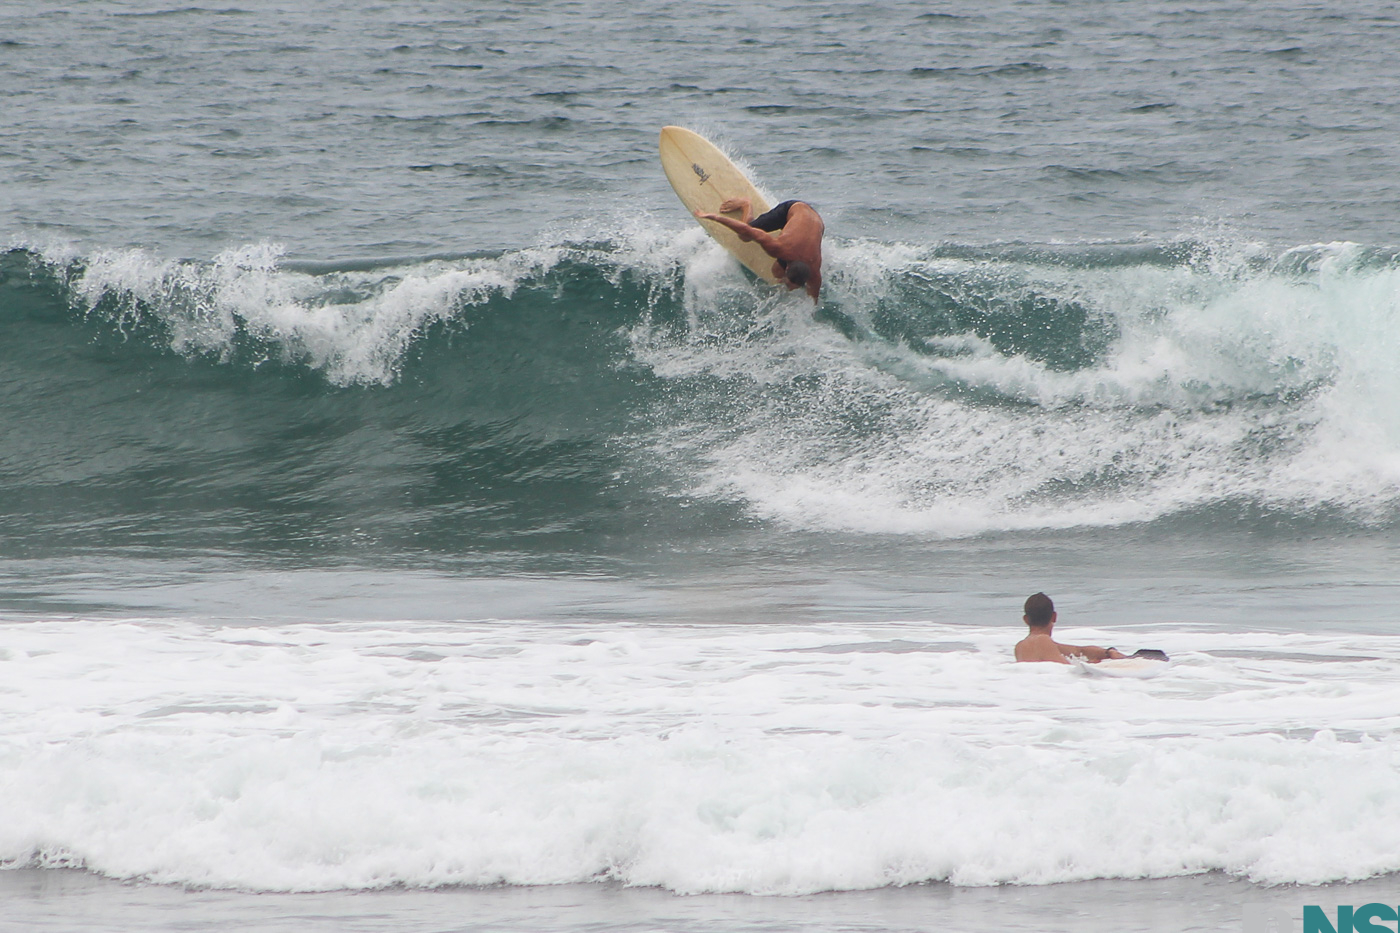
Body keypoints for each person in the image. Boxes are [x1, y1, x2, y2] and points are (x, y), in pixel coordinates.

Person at [693, 197, 824, 302]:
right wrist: (713, 217)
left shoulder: (815, 273)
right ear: (788, 268)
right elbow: (745, 230)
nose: (789, 289)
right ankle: (745, 204)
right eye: (789, 285)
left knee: (777, 272)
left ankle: (788, 231)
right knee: (744, 237)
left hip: (817, 221)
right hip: (793, 208)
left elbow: (814, 301)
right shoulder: (777, 247)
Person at [1014, 592, 1126, 664]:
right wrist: (1094, 663)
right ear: (1054, 617)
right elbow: (1066, 670)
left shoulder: (1020, 647)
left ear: (1025, 619)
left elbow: (1078, 651)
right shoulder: (1042, 640)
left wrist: (1107, 652)